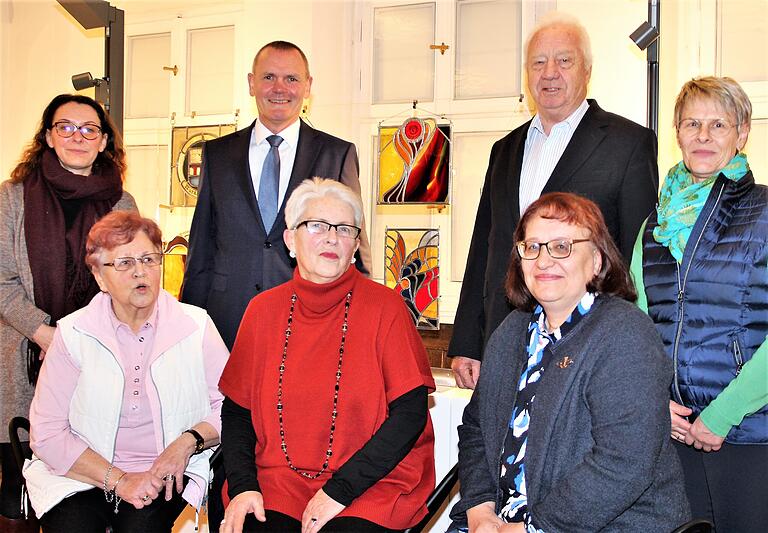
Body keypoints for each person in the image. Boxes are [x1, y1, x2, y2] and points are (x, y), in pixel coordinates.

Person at [449, 192, 690, 532]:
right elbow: (476, 428)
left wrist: (533, 528)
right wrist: (479, 507)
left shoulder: (624, 334)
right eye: (531, 247)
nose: (543, 261)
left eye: (561, 247)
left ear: (596, 260)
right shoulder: (512, 331)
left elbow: (624, 462)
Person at [449, 12, 659, 389]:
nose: (550, 73)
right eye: (538, 63)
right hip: (504, 342)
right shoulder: (504, 150)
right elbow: (485, 246)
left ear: (587, 70)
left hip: (586, 348)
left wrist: (628, 349)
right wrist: (468, 340)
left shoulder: (628, 144)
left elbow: (637, 258)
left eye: (564, 61)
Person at [218, 178, 435, 533]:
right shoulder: (262, 311)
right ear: (290, 239)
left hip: (373, 485)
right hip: (279, 481)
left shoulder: (387, 307)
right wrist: (243, 486)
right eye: (317, 225)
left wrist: (339, 492)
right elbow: (238, 412)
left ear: (355, 246)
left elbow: (409, 416)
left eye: (345, 229)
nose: (332, 237)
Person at [23, 211, 228, 532]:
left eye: (148, 259)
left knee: (140, 528)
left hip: (163, 469)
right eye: (124, 263)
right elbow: (47, 433)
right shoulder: (73, 333)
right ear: (100, 277)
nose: (140, 272)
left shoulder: (196, 325)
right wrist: (118, 480)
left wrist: (187, 443)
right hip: (81, 473)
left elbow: (231, 406)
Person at [631, 76, 768, 532]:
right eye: (692, 123)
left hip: (749, 436)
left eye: (718, 124)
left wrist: (725, 413)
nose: (704, 136)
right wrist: (654, 400)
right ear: (677, 133)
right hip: (674, 433)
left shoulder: (765, 212)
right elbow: (633, 329)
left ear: (742, 132)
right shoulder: (654, 225)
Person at [0, 94, 136, 530]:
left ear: (102, 143)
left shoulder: (121, 203)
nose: (78, 136)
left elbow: (130, 284)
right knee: (20, 497)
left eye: (89, 129)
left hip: (97, 360)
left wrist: (81, 341)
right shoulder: (12, 198)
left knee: (86, 491)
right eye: (66, 127)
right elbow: (1, 281)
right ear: (48, 136)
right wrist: (45, 334)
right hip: (25, 357)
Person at [181, 40, 372, 350]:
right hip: (226, 323)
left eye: (292, 79)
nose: (279, 88)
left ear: (308, 86)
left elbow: (354, 247)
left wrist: (362, 323)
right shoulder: (217, 155)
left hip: (311, 321)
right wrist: (187, 322)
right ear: (251, 83)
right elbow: (201, 247)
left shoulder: (336, 154)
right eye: (269, 77)